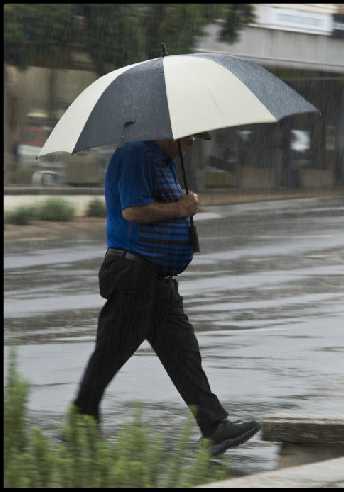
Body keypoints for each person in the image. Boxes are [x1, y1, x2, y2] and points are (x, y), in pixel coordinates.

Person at [72, 134, 260, 456]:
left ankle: (214, 427)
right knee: (110, 353)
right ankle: (79, 428)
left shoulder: (161, 162)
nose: (190, 145)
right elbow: (133, 211)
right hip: (133, 273)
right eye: (188, 138)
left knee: (183, 353)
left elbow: (163, 205)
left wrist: (184, 204)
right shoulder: (135, 153)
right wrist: (180, 207)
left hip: (157, 278)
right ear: (168, 130)